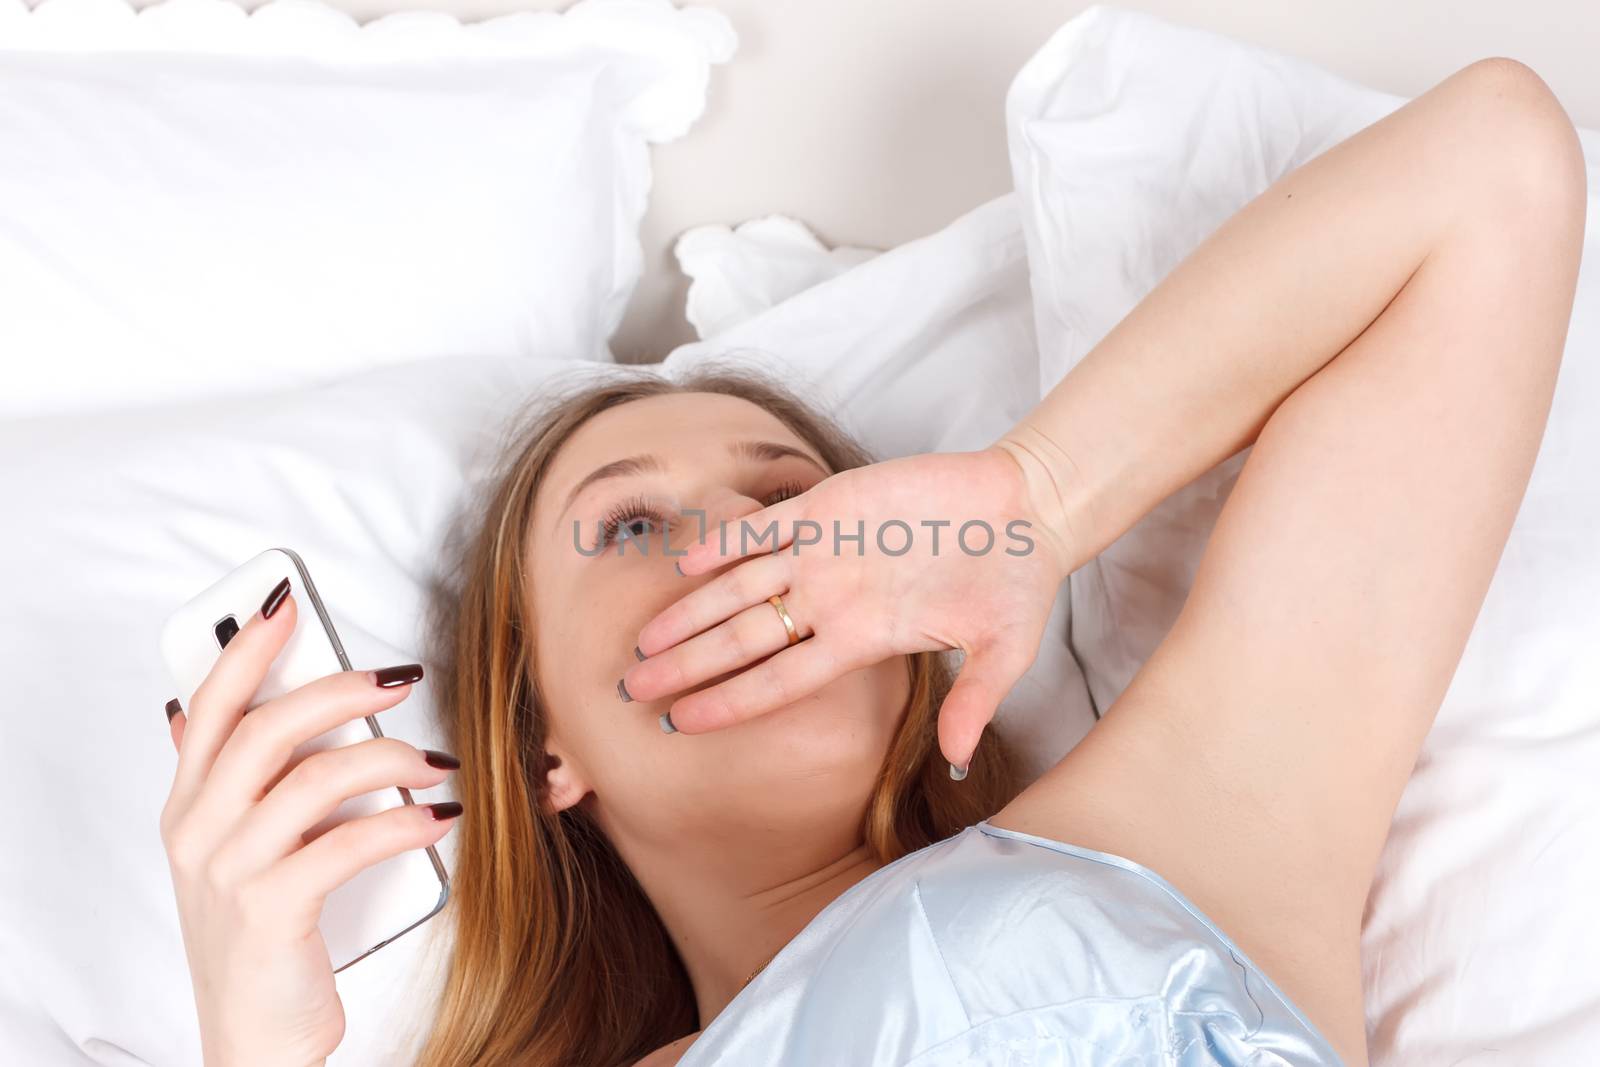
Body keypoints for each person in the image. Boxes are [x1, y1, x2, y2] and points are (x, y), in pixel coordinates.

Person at [158, 55, 1586, 1067]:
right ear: (545, 747)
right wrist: (252, 1041)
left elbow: (1494, 168)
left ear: (909, 641)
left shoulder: (1191, 832)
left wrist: (1032, 497)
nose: (741, 545)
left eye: (801, 505)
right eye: (634, 527)